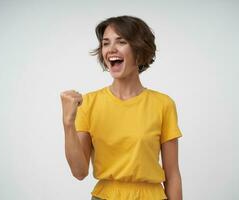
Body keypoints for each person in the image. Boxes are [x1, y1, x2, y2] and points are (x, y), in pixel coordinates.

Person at [60, 15, 183, 200]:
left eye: (121, 41)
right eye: (106, 43)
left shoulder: (163, 104)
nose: (111, 49)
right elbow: (79, 172)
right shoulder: (89, 103)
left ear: (140, 50)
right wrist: (68, 123)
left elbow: (172, 175)